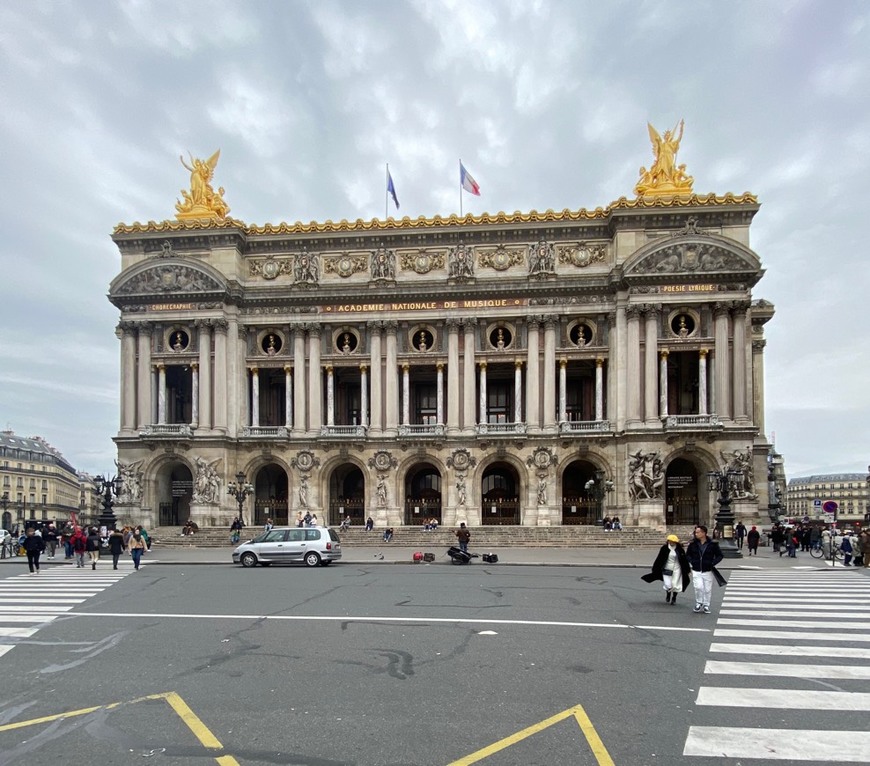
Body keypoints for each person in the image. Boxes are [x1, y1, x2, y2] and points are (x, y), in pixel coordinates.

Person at [686, 525, 724, 614]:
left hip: (708, 569)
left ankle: (706, 604)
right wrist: (692, 561)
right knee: (698, 587)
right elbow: (688, 554)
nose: (696, 534)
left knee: (707, 589)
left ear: (703, 533)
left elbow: (720, 555)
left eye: (698, 532)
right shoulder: (693, 544)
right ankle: (699, 602)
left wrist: (713, 563)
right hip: (696, 569)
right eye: (696, 532)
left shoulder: (712, 544)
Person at [642, 534, 689, 605]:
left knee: (675, 584)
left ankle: (674, 598)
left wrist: (687, 569)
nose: (671, 542)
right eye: (670, 541)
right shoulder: (664, 548)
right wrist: (655, 568)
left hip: (677, 568)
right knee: (668, 584)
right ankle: (668, 593)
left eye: (673, 541)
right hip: (667, 567)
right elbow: (659, 558)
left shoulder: (679, 549)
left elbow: (684, 560)